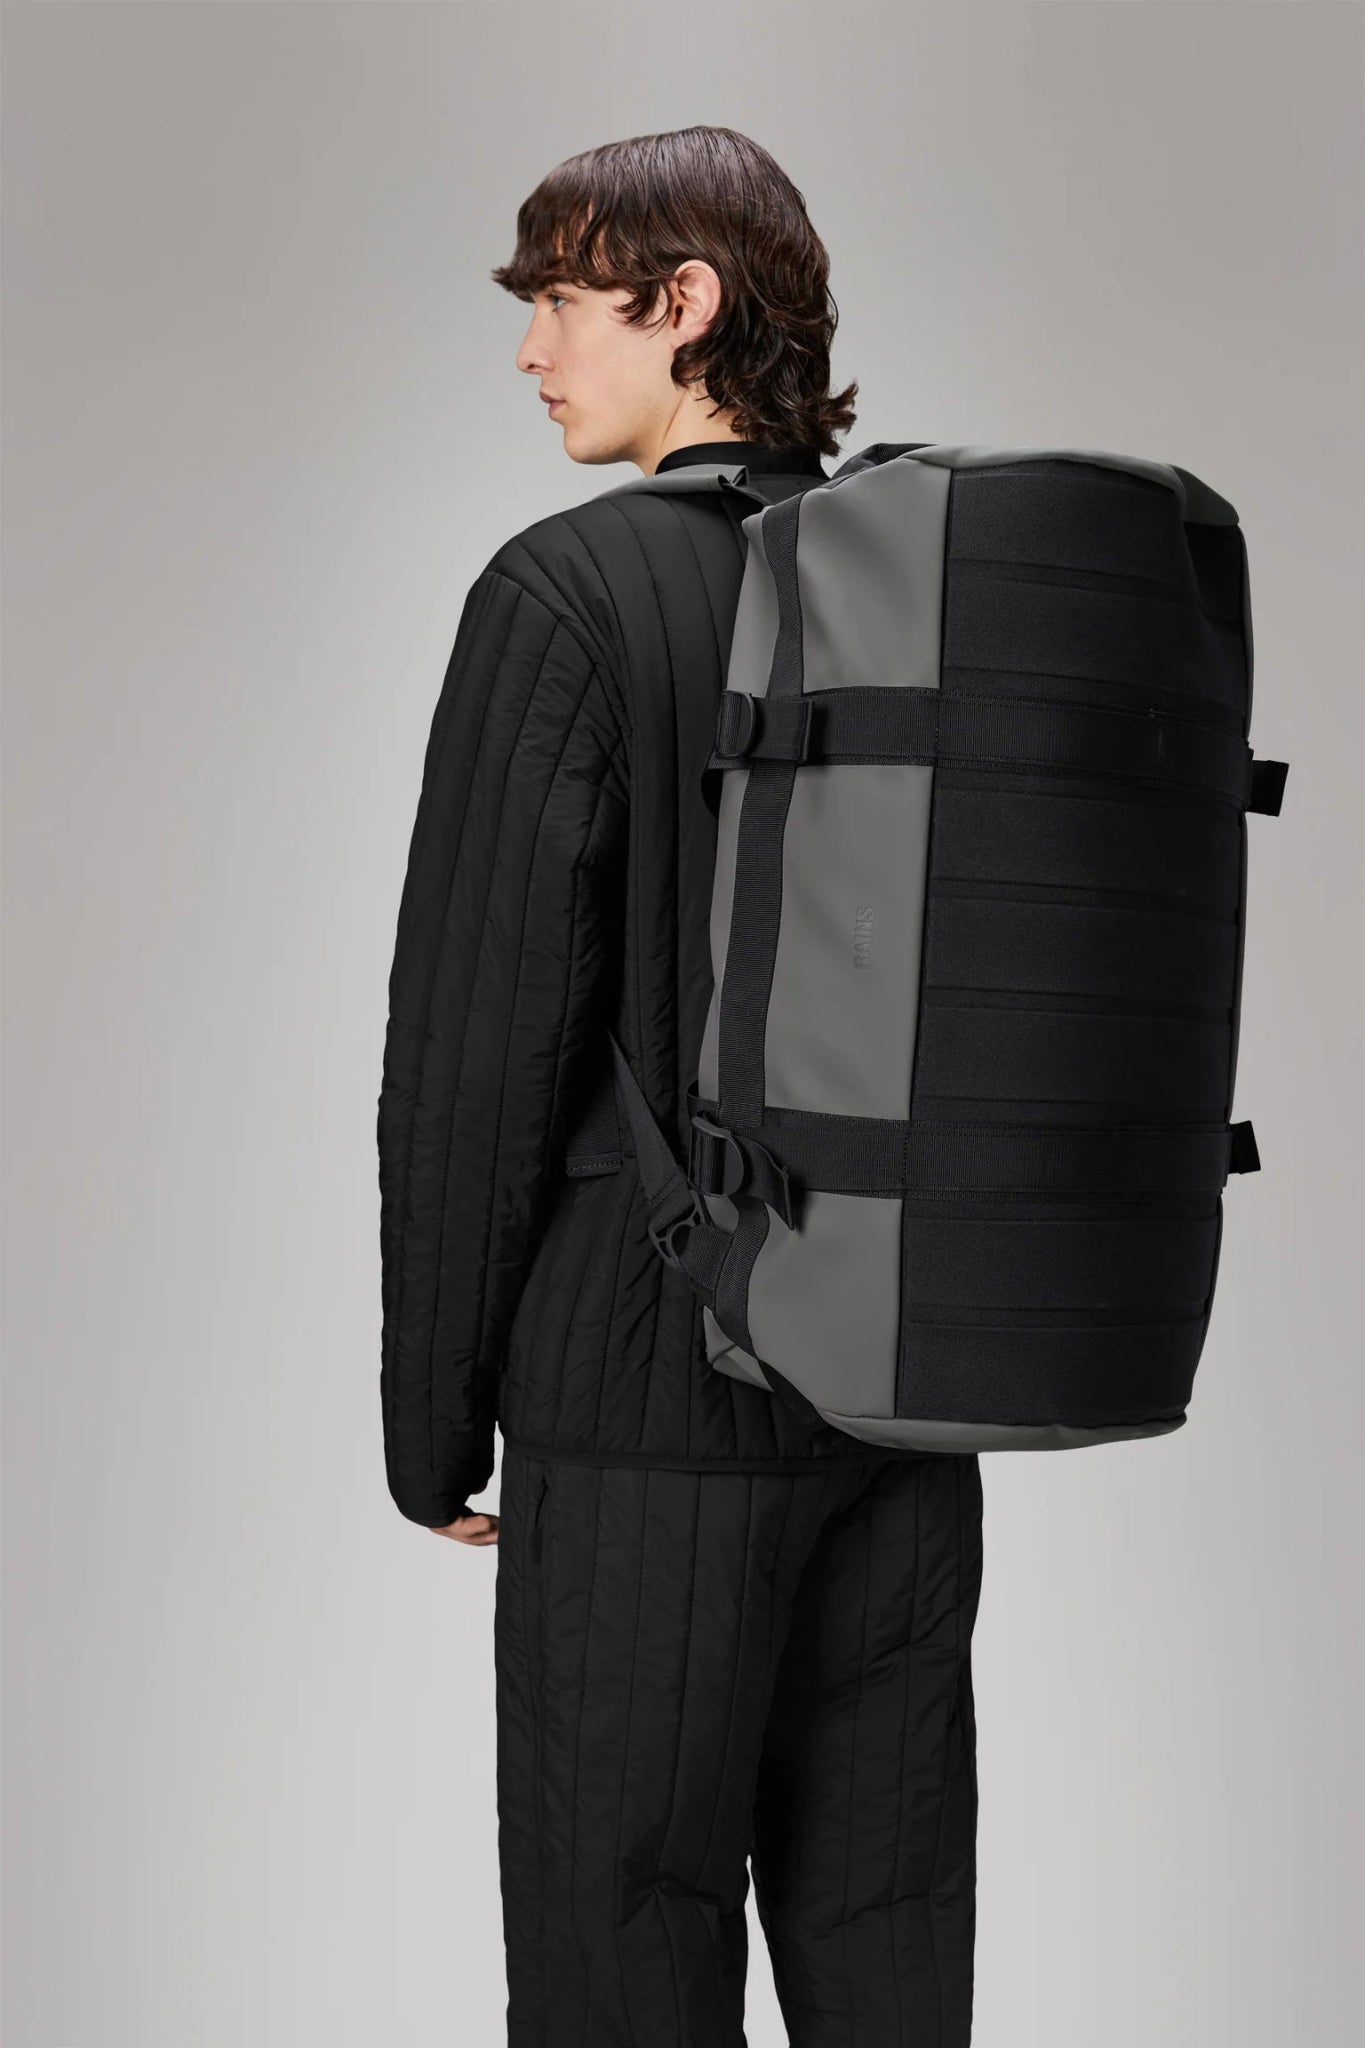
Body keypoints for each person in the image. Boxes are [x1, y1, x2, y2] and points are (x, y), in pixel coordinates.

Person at [377, 124, 985, 2048]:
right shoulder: (936, 589)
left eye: (562, 301)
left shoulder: (566, 591)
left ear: (683, 302)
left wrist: (430, 1419)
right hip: (901, 1376)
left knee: (620, 1948)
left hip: (641, 1396)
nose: (532, 349)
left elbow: (473, 1052)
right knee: (888, 1945)